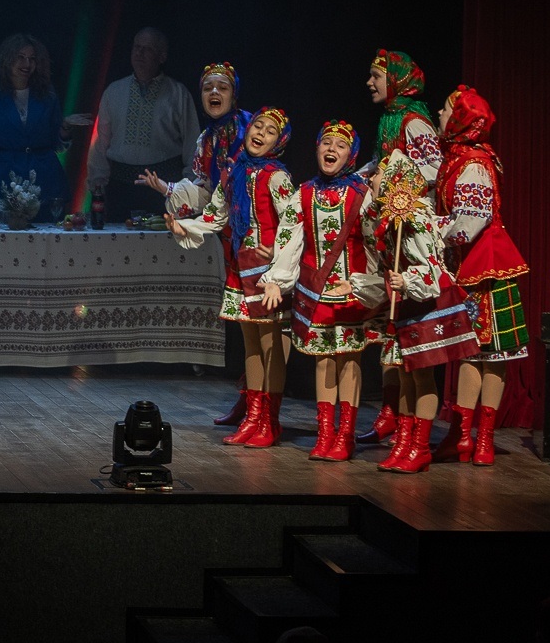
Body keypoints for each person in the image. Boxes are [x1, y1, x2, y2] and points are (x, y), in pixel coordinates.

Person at [140, 62, 276, 427]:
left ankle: (265, 408)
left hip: (260, 234)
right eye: (207, 88)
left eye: (222, 87)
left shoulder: (251, 127)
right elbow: (206, 192)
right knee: (244, 322)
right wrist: (168, 189)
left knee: (264, 323)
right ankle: (250, 399)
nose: (214, 93)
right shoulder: (206, 140)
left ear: (234, 94)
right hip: (230, 235)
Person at [170, 108, 297, 448]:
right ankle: (252, 417)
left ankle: (270, 420)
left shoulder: (277, 177)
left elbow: (293, 222)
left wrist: (279, 259)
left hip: (268, 273)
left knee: (271, 346)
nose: (261, 133)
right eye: (257, 126)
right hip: (241, 268)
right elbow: (215, 215)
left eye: (270, 131)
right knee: (251, 345)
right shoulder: (233, 172)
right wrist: (186, 227)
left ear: (279, 141)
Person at [262, 122, 383, 462]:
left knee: (348, 361)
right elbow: (288, 240)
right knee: (323, 361)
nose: (331, 149)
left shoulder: (362, 194)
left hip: (350, 291)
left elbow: (374, 243)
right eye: (326, 143)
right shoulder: (303, 194)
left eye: (340, 145)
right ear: (316, 148)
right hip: (315, 294)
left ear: (351, 155)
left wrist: (371, 286)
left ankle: (346, 435)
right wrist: (276, 279)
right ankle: (326, 432)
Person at [433, 85, 531, 465]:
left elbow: (469, 224)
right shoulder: (458, 158)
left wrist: (431, 228)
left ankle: (482, 439)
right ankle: (464, 437)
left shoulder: (474, 163)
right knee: (474, 353)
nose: (440, 115)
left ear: (462, 119)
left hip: (485, 265)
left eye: (446, 110)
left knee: (491, 352)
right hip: (470, 265)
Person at [366, 146, 480, 474]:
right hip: (407, 305)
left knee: (422, 376)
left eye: (377, 174)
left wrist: (407, 280)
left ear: (394, 180)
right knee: (405, 376)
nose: (371, 179)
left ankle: (420, 447)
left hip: (428, 305)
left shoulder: (415, 219)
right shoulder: (388, 220)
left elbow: (431, 269)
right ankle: (404, 442)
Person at [358, 48, 444, 445]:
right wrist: (359, 176)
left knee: (404, 322)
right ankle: (390, 410)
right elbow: (380, 161)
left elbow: (433, 169)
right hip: (390, 226)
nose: (370, 83)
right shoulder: (390, 118)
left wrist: (392, 180)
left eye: (376, 76)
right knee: (386, 324)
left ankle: (405, 420)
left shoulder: (414, 122)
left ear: (395, 80)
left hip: (412, 229)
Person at [85, 27, 199, 221]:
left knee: (161, 239)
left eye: (147, 49)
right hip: (120, 188)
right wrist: (97, 183)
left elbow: (193, 144)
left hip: (163, 188)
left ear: (161, 57)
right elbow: (100, 144)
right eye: (136, 47)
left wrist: (187, 188)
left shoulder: (178, 94)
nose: (139, 53)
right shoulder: (114, 92)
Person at [0, 34, 89, 218]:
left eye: (32, 59)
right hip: (4, 179)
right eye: (21, 57)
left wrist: (66, 126)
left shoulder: (47, 95)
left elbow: (58, 145)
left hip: (45, 180)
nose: (27, 63)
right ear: (6, 60)